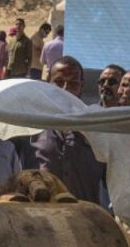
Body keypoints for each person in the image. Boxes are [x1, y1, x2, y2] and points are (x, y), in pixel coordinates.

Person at [22, 56, 104, 204]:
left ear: (82, 85)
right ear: (48, 82)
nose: (65, 89)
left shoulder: (97, 125)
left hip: (85, 217)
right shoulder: (28, 123)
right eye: (59, 82)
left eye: (73, 83)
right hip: (39, 216)